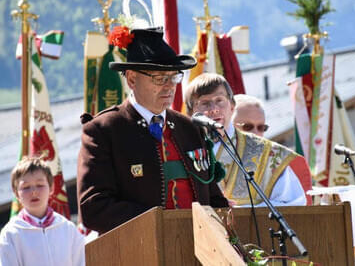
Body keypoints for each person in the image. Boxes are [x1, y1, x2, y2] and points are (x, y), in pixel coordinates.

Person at [77, 27, 228, 235]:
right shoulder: (104, 130)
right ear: (131, 79)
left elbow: (212, 197)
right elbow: (94, 208)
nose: (168, 87)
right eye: (159, 78)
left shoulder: (191, 128)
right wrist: (162, 223)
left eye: (173, 77)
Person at [184, 73, 312, 207]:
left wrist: (241, 212)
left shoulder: (268, 153)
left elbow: (294, 204)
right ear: (190, 113)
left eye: (219, 101)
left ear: (232, 106)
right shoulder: (180, 149)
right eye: (205, 103)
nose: (214, 109)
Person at [0, 157, 85, 266]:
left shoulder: (67, 229)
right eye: (26, 187)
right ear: (16, 193)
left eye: (40, 185)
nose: (34, 192)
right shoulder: (11, 234)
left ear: (51, 188)